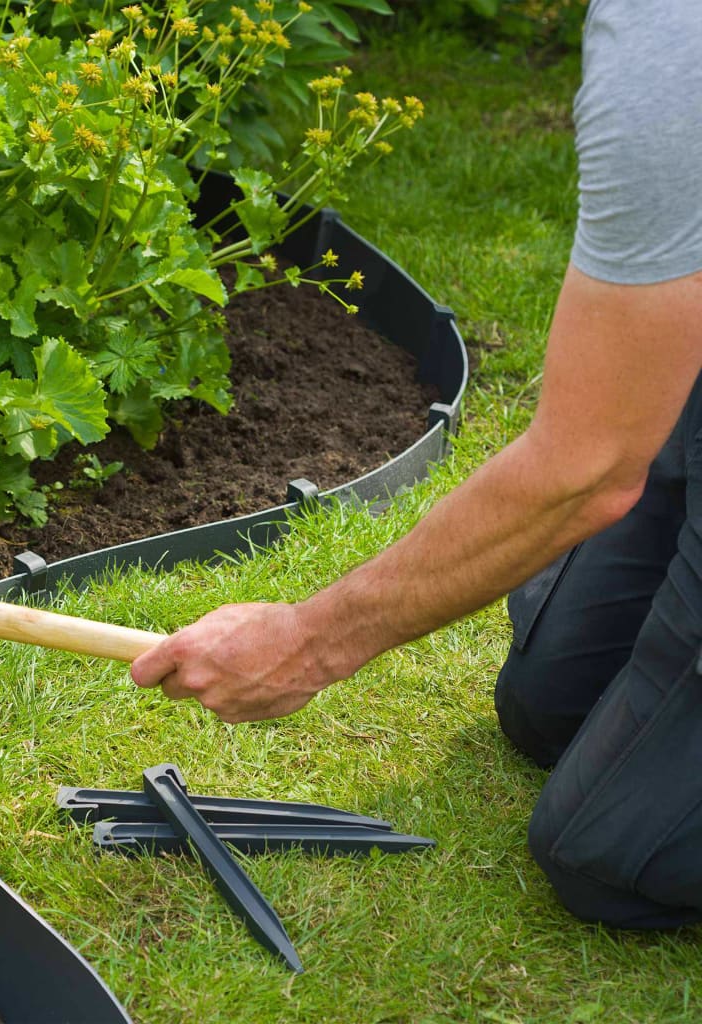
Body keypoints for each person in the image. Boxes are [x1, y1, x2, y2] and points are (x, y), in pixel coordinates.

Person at [130, 0, 702, 930]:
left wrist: (312, 639)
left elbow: (589, 470)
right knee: (543, 707)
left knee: (610, 858)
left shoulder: (676, 61)